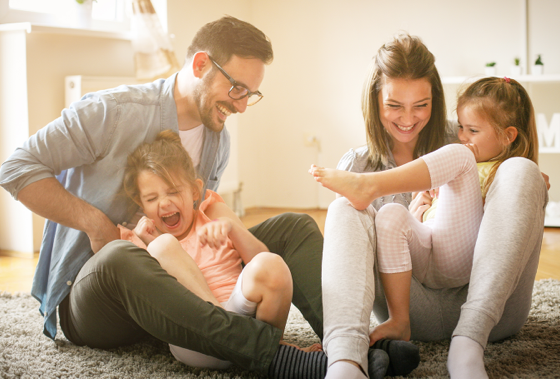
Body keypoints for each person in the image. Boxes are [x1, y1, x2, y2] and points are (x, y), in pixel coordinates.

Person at [0, 16, 328, 378]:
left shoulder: (218, 141)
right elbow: (16, 168)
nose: (242, 106)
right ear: (201, 63)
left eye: (250, 94)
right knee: (122, 255)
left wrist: (222, 233)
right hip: (102, 299)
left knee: (293, 227)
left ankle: (349, 346)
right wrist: (95, 224)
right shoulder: (113, 112)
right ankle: (275, 356)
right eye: (237, 88)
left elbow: (200, 235)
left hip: (176, 300)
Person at [316, 33, 548, 379]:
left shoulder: (466, 137)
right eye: (394, 105)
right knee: (342, 209)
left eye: (420, 105)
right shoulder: (357, 164)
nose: (407, 119)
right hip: (411, 309)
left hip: (493, 310)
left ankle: (468, 344)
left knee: (521, 169)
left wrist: (525, 182)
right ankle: (346, 364)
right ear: (374, 100)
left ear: (435, 100)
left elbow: (516, 172)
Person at [120, 130, 321, 369]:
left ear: (194, 190)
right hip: (195, 335)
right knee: (163, 245)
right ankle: (268, 352)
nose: (164, 203)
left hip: (244, 322)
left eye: (173, 191)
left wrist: (232, 229)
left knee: (272, 264)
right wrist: (148, 242)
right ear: (140, 204)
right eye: (151, 198)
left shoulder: (211, 212)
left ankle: (273, 353)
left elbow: (263, 261)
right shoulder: (141, 237)